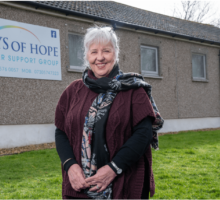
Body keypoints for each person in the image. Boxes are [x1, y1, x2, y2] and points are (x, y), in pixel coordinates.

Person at [55, 26, 164, 199]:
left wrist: (113, 168)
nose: (100, 57)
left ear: (116, 52)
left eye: (106, 50)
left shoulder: (133, 90)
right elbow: (61, 131)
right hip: (79, 187)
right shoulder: (73, 91)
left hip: (124, 186)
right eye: (94, 52)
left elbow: (143, 134)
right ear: (87, 56)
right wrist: (70, 165)